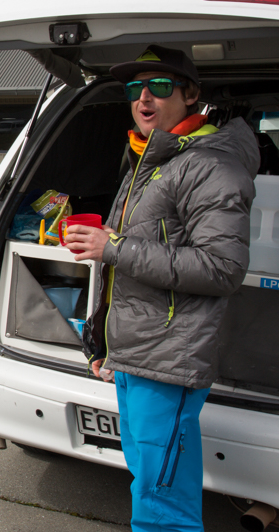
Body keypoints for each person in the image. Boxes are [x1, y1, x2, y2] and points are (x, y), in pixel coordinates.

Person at [62, 45, 258, 532]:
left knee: (162, 502)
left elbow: (221, 269)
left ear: (191, 95)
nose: (144, 98)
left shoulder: (211, 166)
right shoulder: (151, 158)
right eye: (135, 88)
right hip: (138, 352)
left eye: (160, 86)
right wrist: (104, 344)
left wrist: (113, 247)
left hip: (167, 358)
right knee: (151, 483)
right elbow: (133, 263)